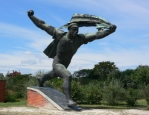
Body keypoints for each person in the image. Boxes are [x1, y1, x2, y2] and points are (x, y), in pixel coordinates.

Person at [27, 10, 116, 106]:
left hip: (65, 64)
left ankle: (41, 79)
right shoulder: (60, 34)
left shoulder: (80, 38)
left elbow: (97, 35)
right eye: (73, 29)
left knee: (53, 74)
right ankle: (69, 100)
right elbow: (42, 25)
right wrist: (32, 16)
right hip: (57, 63)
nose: (75, 31)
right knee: (67, 76)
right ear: (69, 29)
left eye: (77, 29)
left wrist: (110, 31)